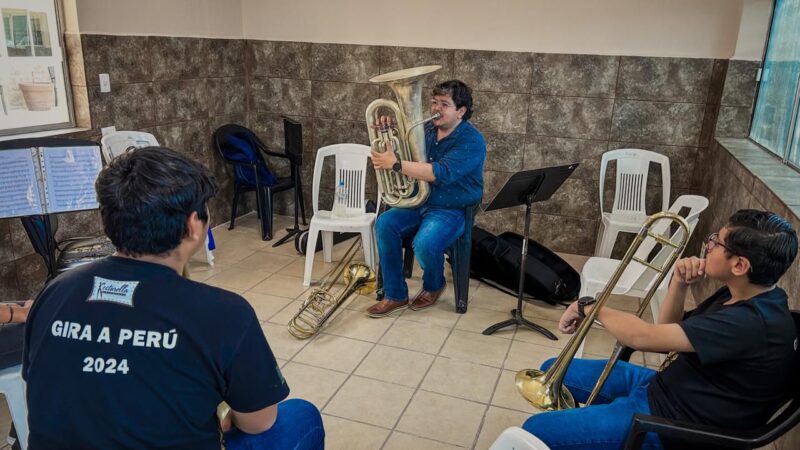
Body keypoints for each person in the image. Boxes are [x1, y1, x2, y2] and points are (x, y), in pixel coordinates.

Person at [22, 147, 324, 450]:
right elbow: (259, 422)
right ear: (194, 226)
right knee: (300, 416)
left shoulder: (55, 291)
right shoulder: (226, 312)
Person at [521, 209, 798, 450]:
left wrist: (589, 307)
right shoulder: (745, 294)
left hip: (668, 423)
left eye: (716, 242)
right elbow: (668, 334)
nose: (708, 245)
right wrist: (679, 283)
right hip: (665, 388)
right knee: (552, 369)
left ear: (739, 265)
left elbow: (643, 337)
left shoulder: (748, 323)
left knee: (536, 430)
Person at [367, 80, 486, 317]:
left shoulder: (472, 140)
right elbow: (400, 154)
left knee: (424, 244)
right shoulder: (427, 130)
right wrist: (387, 132)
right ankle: (395, 294)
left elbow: (439, 172)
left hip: (452, 208)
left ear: (461, 111)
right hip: (418, 201)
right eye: (433, 102)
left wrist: (397, 165)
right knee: (384, 224)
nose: (435, 108)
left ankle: (434, 285)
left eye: (444, 104)